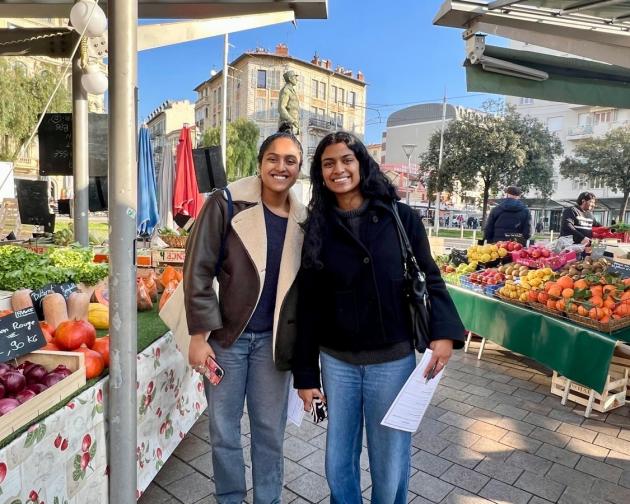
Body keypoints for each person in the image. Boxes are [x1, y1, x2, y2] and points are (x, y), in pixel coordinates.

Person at [292, 131, 465, 503]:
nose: (339, 169)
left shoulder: (399, 217)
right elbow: (307, 305)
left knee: (390, 459)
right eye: (328, 163)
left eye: (347, 160)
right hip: (337, 361)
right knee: (338, 457)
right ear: (320, 174)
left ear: (362, 164)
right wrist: (305, 374)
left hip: (392, 358)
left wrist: (444, 335)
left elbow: (429, 276)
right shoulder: (317, 227)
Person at [183, 128, 306, 503]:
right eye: (273, 158)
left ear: (299, 170)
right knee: (223, 431)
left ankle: (268, 499)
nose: (281, 167)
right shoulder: (226, 203)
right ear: (260, 163)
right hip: (227, 340)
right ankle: (230, 498)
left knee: (270, 431)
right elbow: (198, 268)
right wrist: (199, 335)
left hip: (274, 344)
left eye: (290, 161)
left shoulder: (304, 219)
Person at [278, 70, 300, 135]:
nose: (297, 79)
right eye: (295, 77)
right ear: (290, 79)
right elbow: (281, 108)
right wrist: (292, 120)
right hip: (286, 125)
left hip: (292, 125)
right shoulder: (286, 90)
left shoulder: (292, 91)